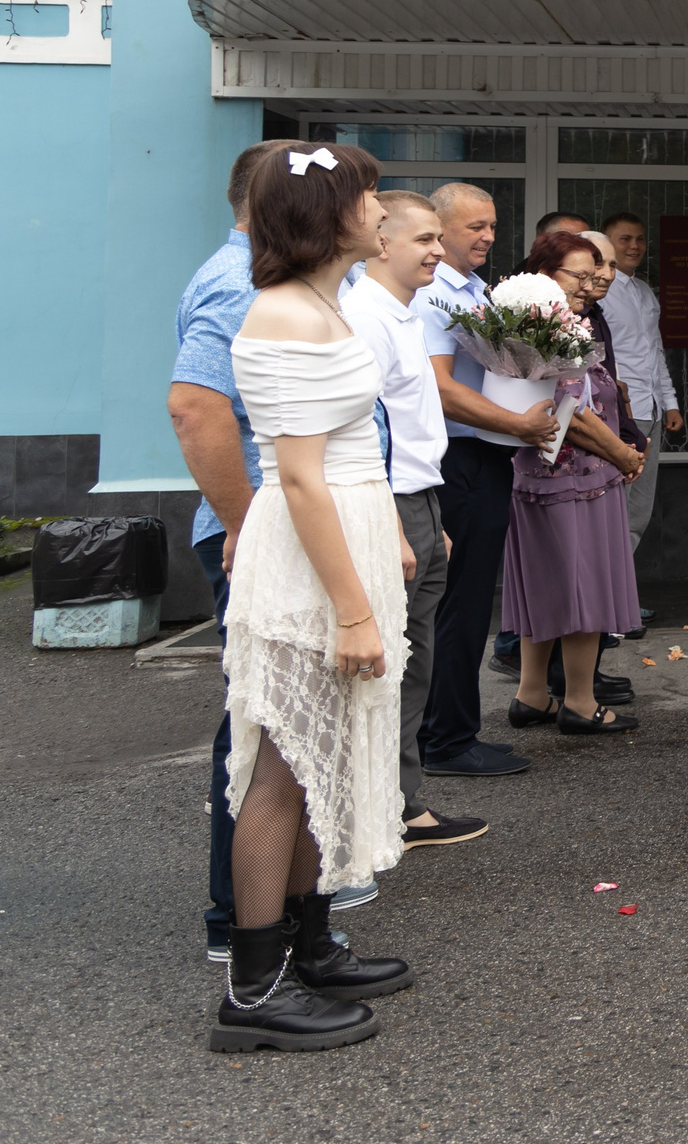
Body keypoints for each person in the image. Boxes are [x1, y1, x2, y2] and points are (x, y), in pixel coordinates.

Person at [212, 142, 413, 1052]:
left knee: (320, 759)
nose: (381, 211)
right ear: (327, 215)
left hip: (344, 539)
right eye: (368, 197)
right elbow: (297, 477)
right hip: (307, 561)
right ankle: (254, 990)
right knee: (283, 764)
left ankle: (307, 945)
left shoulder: (323, 302)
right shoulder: (286, 314)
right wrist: (352, 608)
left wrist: (389, 535)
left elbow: (350, 442)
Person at [171, 139, 305, 959]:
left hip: (289, 530)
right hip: (261, 534)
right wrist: (247, 525)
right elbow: (196, 408)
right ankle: (242, 925)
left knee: (291, 733)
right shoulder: (237, 282)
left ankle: (288, 918)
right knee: (263, 735)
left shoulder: (275, 279)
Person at [341, 191, 487, 851]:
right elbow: (362, 434)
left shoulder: (402, 312)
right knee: (391, 664)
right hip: (391, 504)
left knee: (412, 661)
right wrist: (396, 526)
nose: (438, 250)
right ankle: (382, 809)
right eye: (424, 239)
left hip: (419, 498)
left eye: (437, 238)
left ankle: (399, 802)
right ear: (382, 243)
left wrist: (430, 515)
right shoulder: (365, 317)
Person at [413, 183, 554, 780]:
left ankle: (451, 729)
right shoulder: (432, 294)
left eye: (492, 226)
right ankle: (445, 738)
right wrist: (517, 423)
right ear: (439, 227)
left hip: (484, 454)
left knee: (471, 603)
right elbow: (439, 387)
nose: (488, 237)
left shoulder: (472, 288)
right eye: (475, 226)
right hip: (458, 458)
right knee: (458, 604)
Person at [501, 232, 648, 736]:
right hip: (576, 478)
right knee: (583, 587)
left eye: (595, 274)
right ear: (544, 274)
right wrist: (622, 454)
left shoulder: (539, 324)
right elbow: (572, 413)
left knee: (546, 584)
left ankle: (532, 694)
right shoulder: (546, 329)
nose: (590, 284)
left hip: (538, 478)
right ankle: (581, 702)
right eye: (579, 275)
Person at [598, 212, 683, 555]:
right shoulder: (599, 292)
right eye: (625, 239)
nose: (634, 246)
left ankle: (622, 585)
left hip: (652, 410)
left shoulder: (645, 292)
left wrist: (670, 402)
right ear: (607, 244)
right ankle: (606, 585)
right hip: (619, 413)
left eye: (639, 239)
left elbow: (654, 350)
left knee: (638, 512)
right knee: (615, 506)